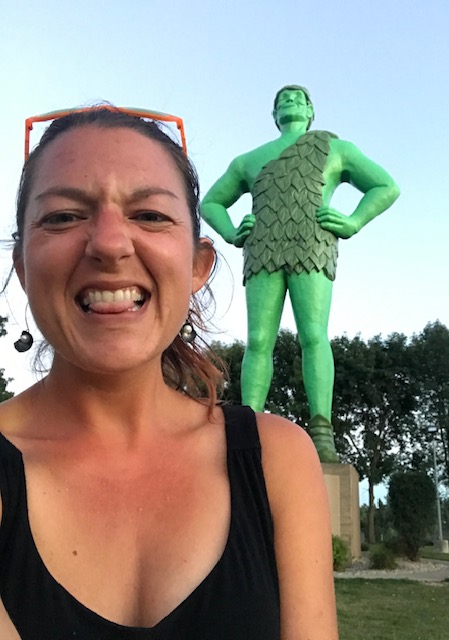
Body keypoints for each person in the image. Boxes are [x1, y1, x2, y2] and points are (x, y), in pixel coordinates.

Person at [0, 107, 338, 639]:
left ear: (198, 265)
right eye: (63, 216)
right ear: (22, 266)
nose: (110, 243)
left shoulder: (278, 460)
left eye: (150, 215)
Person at [200, 85, 400, 462]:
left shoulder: (335, 149)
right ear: (273, 115)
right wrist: (230, 231)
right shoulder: (248, 160)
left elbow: (386, 186)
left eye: (298, 99)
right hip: (263, 247)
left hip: (313, 243)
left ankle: (322, 429)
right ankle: (248, 426)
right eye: (282, 101)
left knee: (313, 334)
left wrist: (354, 220)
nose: (290, 102)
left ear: (311, 111)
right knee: (259, 338)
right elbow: (210, 202)